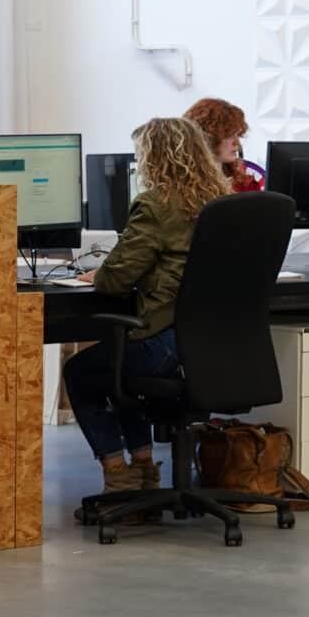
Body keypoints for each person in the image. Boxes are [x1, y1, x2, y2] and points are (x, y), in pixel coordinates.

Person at [64, 115, 226, 494]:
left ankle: (120, 474)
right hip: (211, 347)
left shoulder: (156, 205)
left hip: (165, 343)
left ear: (154, 158)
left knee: (82, 372)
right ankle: (144, 469)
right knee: (119, 365)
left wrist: (98, 274)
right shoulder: (221, 202)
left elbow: (115, 279)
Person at [185, 97, 266, 193]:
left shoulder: (247, 185)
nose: (237, 143)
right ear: (206, 137)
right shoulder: (180, 186)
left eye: (238, 134)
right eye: (228, 135)